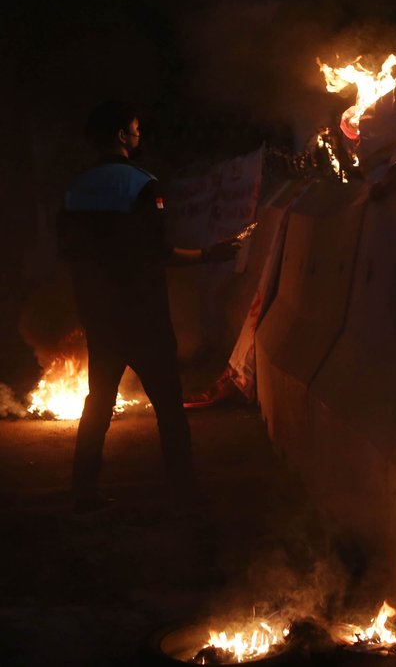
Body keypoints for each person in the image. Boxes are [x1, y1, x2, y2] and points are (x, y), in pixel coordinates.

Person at [58, 100, 240, 514]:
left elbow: (69, 252)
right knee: (169, 408)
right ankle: (183, 492)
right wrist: (212, 254)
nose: (140, 135)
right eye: (135, 129)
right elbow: (159, 251)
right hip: (143, 315)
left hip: (100, 315)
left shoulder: (76, 188)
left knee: (98, 403)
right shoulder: (143, 184)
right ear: (122, 136)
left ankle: (82, 492)